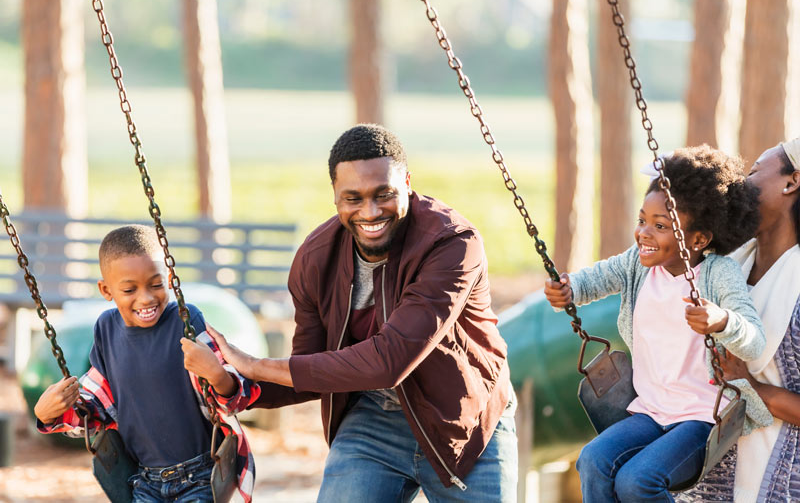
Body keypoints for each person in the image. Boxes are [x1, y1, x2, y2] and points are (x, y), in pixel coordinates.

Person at [208, 124, 517, 502]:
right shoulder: (316, 258)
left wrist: (254, 365)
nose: (370, 212)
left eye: (383, 194)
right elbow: (308, 368)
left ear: (406, 181)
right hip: (373, 420)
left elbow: (390, 359)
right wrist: (231, 381)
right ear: (335, 197)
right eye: (352, 198)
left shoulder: (451, 244)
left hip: (462, 418)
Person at [544, 145, 768, 502]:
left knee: (638, 481)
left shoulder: (717, 273)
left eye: (660, 226)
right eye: (642, 220)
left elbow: (755, 341)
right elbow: (597, 278)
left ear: (699, 239)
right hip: (650, 410)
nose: (644, 233)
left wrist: (721, 320)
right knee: (593, 461)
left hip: (701, 416)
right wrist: (569, 290)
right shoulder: (637, 263)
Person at [32, 225, 260, 503]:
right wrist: (49, 414)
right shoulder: (106, 329)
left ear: (170, 276)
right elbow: (97, 408)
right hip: (144, 481)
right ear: (106, 290)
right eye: (129, 289)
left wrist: (215, 373)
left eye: (156, 284)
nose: (146, 298)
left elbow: (233, 398)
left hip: (200, 475)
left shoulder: (185, 321)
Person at [676, 137, 800, 503]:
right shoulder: (727, 268)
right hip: (711, 480)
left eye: (754, 172)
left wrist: (748, 387)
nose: (742, 183)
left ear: (792, 182)